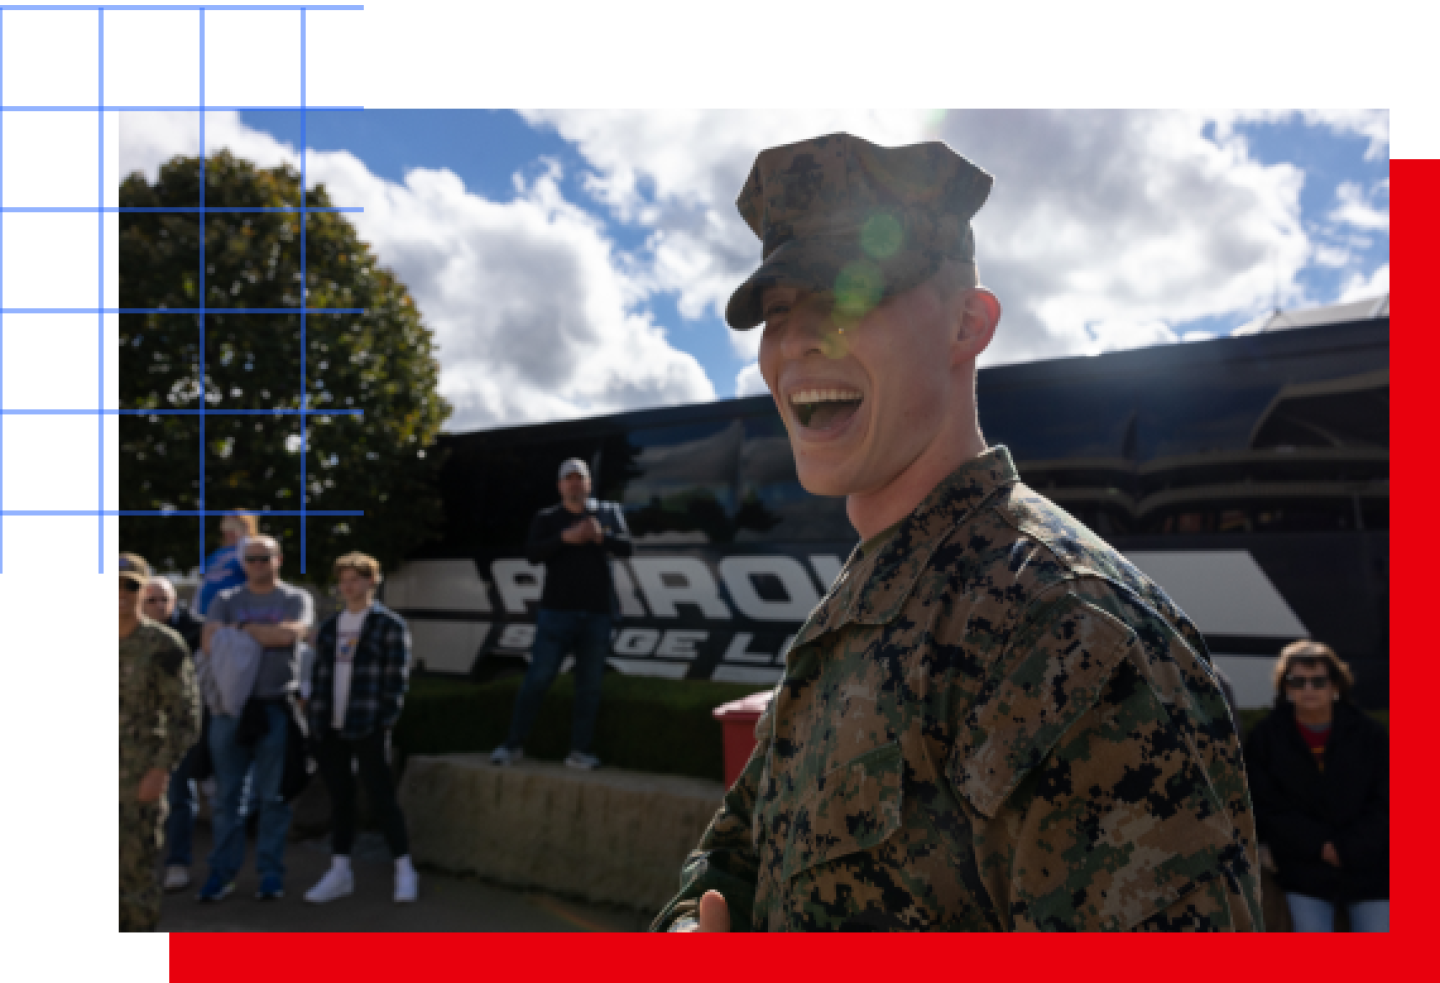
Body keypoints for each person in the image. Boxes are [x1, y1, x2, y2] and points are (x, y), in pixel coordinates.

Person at [650, 134, 1261, 932]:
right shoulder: (856, 606)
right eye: (777, 311)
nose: (796, 340)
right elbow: (734, 852)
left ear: (967, 324)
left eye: (847, 295)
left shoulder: (1068, 629)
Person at [491, 458, 633, 770]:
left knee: (589, 687)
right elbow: (531, 554)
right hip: (556, 614)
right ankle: (512, 745)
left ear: (588, 483)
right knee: (539, 678)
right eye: (568, 479)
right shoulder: (547, 518)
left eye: (579, 478)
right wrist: (563, 539)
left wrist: (599, 537)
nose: (574, 483)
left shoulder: (608, 513)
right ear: (559, 486)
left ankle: (580, 751)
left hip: (597, 615)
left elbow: (627, 548)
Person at [197, 534, 314, 902]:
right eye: (251, 559)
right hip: (231, 711)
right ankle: (222, 874)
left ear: (279, 559)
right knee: (227, 797)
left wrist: (242, 631)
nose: (257, 564)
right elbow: (208, 642)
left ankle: (270, 874)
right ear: (242, 562)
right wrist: (267, 634)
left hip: (275, 707)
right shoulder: (225, 598)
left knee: (273, 799)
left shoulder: (296, 597)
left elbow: (291, 635)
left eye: (264, 558)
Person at [1244, 640, 1388, 932]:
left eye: (1318, 681)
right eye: (1298, 681)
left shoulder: (1370, 736)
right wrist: (1318, 846)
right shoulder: (1266, 739)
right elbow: (1264, 805)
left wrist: (1346, 848)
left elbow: (1388, 802)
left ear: (1335, 685)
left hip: (1370, 870)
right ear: (1286, 686)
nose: (1308, 689)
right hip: (1302, 872)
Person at [302, 552, 419, 904]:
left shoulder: (389, 625)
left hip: (367, 724)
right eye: (344, 579)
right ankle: (339, 872)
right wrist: (314, 719)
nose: (349, 586)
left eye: (356, 578)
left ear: (372, 581)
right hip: (329, 725)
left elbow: (396, 682)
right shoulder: (329, 627)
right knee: (341, 799)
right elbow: (318, 676)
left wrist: (384, 722)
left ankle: (404, 869)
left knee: (382, 798)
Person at [118, 553, 202, 932]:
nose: (120, 594)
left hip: (138, 780)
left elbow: (186, 717)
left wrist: (159, 771)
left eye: (130, 587)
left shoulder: (163, 645)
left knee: (135, 880)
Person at [140, 576, 208, 893]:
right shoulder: (128, 631)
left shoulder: (193, 630)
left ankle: (177, 862)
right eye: (149, 600)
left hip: (174, 730)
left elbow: (189, 699)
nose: (157, 606)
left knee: (179, 796)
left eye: (162, 600)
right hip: (135, 733)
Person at [194, 511, 257, 618]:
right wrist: (195, 609)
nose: (229, 529)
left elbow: (255, 574)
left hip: (234, 615)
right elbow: (204, 583)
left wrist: (244, 536)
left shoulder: (249, 549)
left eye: (235, 524)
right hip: (206, 614)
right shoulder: (216, 553)